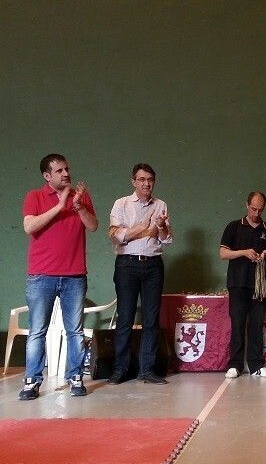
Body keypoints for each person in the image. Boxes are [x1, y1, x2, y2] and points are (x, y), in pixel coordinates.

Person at [19, 154, 98, 400]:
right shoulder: (35, 196)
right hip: (41, 275)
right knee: (37, 330)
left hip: (74, 275)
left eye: (67, 169)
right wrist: (59, 206)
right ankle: (32, 381)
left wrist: (78, 206)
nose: (66, 173)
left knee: (74, 330)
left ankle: (75, 378)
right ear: (47, 176)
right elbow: (29, 227)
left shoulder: (80, 196)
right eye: (59, 171)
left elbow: (93, 226)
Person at [108, 163, 172, 384]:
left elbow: (166, 239)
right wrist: (143, 227)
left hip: (153, 265)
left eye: (150, 180)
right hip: (127, 264)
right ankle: (121, 369)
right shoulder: (121, 204)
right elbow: (116, 236)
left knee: (151, 319)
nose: (146, 183)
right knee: (125, 317)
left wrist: (161, 227)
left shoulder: (161, 204)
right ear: (133, 182)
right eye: (142, 179)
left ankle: (147, 370)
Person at [219, 192, 266, 378]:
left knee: (256, 325)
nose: (256, 213)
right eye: (253, 208)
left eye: (260, 209)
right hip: (237, 283)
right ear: (247, 205)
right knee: (237, 324)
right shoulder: (234, 226)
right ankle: (235, 365)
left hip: (260, 286)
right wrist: (244, 252)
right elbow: (223, 254)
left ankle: (257, 366)